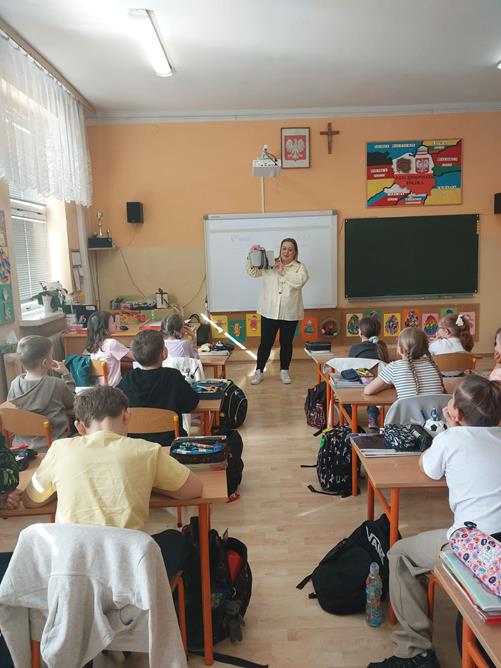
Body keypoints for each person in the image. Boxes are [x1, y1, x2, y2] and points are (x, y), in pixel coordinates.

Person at [369, 375, 501, 668]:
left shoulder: (450, 438)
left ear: (458, 414)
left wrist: (450, 433)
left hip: (477, 547)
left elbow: (427, 467)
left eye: (451, 402)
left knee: (400, 554)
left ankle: (414, 652)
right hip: (495, 544)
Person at [19, 385, 203, 579]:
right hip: (128, 571)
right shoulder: (146, 451)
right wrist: (148, 482)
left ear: (79, 427)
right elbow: (194, 489)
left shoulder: (59, 449)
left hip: (72, 571)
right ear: (127, 416)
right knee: (175, 539)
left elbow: (31, 500)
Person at [118, 330, 199, 446]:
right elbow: (191, 404)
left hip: (135, 445)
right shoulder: (173, 377)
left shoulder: (128, 379)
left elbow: (119, 408)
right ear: (163, 353)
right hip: (170, 444)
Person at [246, 238, 309, 385]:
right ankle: (259, 371)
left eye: (290, 249)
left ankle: (284, 371)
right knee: (265, 343)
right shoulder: (269, 262)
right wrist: (252, 255)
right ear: (280, 250)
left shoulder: (300, 267)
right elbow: (252, 272)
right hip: (269, 311)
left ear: (295, 252)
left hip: (290, 313)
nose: (286, 252)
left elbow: (299, 282)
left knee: (286, 343)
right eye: (284, 248)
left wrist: (283, 272)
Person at [7, 336, 75, 451]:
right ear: (45, 362)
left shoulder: (14, 384)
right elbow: (73, 402)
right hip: (52, 446)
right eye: (51, 355)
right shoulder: (56, 384)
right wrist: (66, 374)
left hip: (21, 447)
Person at [364, 327, 444, 400]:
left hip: (407, 412)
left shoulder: (394, 367)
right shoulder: (433, 365)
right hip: (434, 411)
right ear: (425, 348)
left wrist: (388, 385)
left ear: (401, 350)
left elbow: (368, 390)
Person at [349, 317, 389, 429]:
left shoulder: (355, 348)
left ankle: (348, 419)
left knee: (345, 385)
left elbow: (349, 366)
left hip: (359, 383)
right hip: (377, 384)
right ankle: (372, 417)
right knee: (373, 385)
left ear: (360, 332)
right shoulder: (381, 347)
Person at [85, 310, 133, 386]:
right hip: (115, 386)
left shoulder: (91, 345)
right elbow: (136, 357)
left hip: (100, 387)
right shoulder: (111, 343)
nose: (115, 324)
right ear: (104, 327)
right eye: (113, 322)